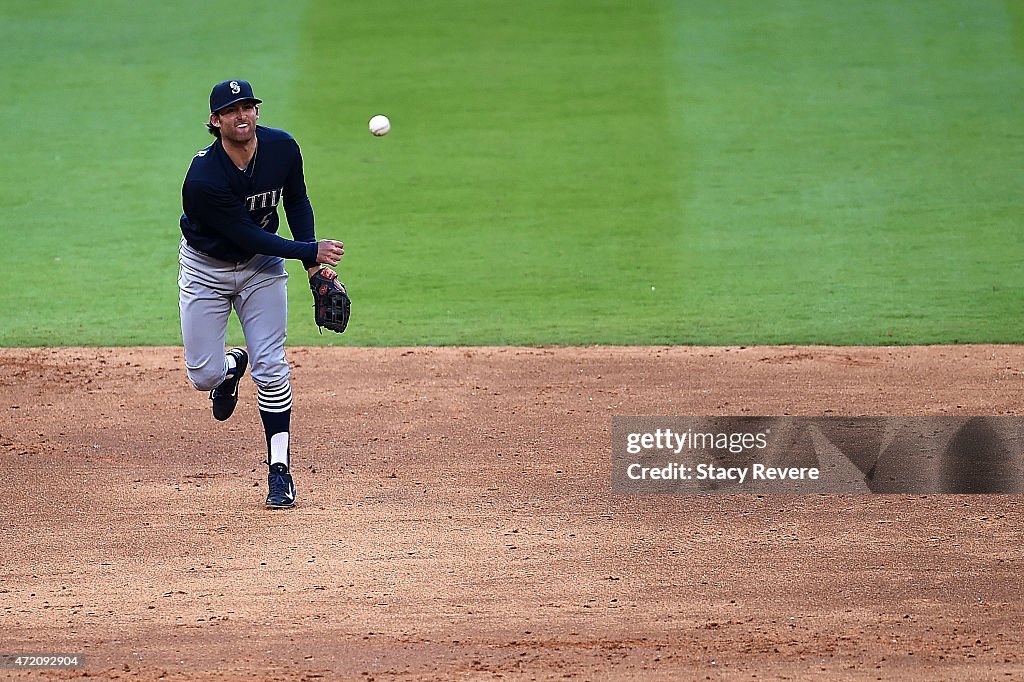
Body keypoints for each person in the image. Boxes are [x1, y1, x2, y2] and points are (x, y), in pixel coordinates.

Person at [177, 79, 345, 509]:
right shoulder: (203, 179)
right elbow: (247, 235)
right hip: (206, 271)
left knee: (272, 366)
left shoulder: (283, 148)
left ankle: (280, 472)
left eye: (248, 107)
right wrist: (310, 250)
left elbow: (297, 201)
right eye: (231, 110)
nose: (242, 116)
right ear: (215, 122)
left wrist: (314, 269)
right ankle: (231, 366)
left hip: (260, 272)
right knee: (203, 377)